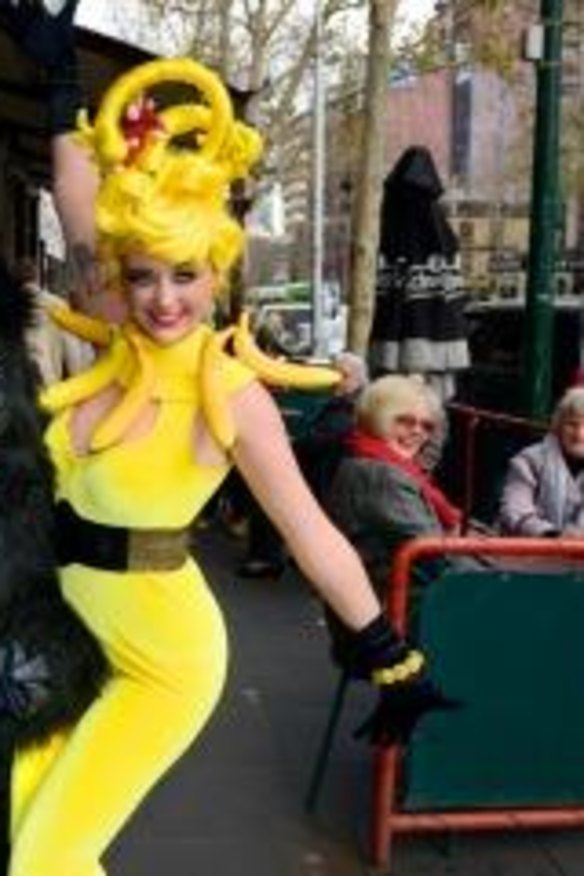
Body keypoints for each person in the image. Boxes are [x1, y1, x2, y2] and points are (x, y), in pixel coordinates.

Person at [0, 4, 449, 876]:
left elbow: (311, 531)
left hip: (162, 660)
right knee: (22, 835)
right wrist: (60, 90)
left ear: (218, 271)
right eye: (144, 276)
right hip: (63, 636)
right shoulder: (114, 333)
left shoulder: (232, 393)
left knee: (45, 860)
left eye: (186, 275)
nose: (164, 299)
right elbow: (80, 211)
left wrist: (388, 654)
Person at [325, 374, 468, 598]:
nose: (418, 432)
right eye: (405, 421)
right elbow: (435, 556)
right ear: (378, 418)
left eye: (427, 426)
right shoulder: (385, 476)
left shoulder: (366, 458)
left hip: (376, 595)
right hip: (397, 601)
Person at [498, 386, 584, 537]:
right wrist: (553, 535)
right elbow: (515, 510)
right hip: (535, 547)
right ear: (558, 426)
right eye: (572, 424)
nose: (579, 435)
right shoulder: (529, 460)